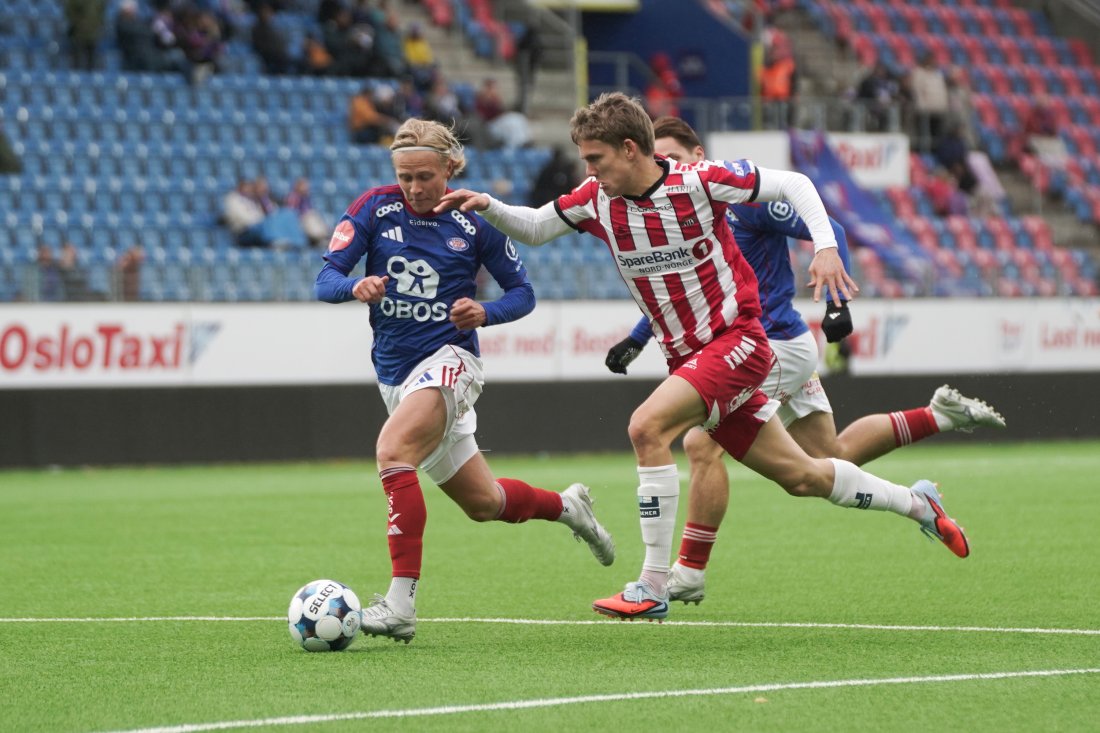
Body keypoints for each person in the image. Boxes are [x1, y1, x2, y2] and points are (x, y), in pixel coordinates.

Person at [436, 92, 972, 623]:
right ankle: (917, 504)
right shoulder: (596, 200)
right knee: (803, 475)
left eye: (594, 158)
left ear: (629, 149)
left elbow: (797, 184)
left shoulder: (700, 181)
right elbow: (534, 226)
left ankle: (652, 584)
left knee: (647, 426)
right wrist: (489, 206)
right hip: (689, 357)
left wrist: (826, 247)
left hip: (737, 342)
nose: (588, 169)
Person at [604, 117, 1006, 604]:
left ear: (697, 153)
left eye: (673, 155)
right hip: (755, 349)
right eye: (657, 157)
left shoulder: (738, 201)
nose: (665, 165)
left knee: (700, 441)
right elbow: (685, 294)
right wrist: (639, 335)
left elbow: (828, 226)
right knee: (825, 459)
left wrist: (838, 303)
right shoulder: (672, 213)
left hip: (768, 347)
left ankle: (687, 571)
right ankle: (937, 419)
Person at [313, 118, 615, 643]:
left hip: (452, 360)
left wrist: (485, 312)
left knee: (392, 450)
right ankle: (569, 508)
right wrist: (353, 285)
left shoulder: (475, 221)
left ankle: (401, 603)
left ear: (450, 169)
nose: (413, 188)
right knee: (486, 504)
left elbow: (523, 292)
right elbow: (325, 279)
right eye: (405, 177)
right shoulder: (372, 207)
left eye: (424, 176)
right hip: (396, 375)